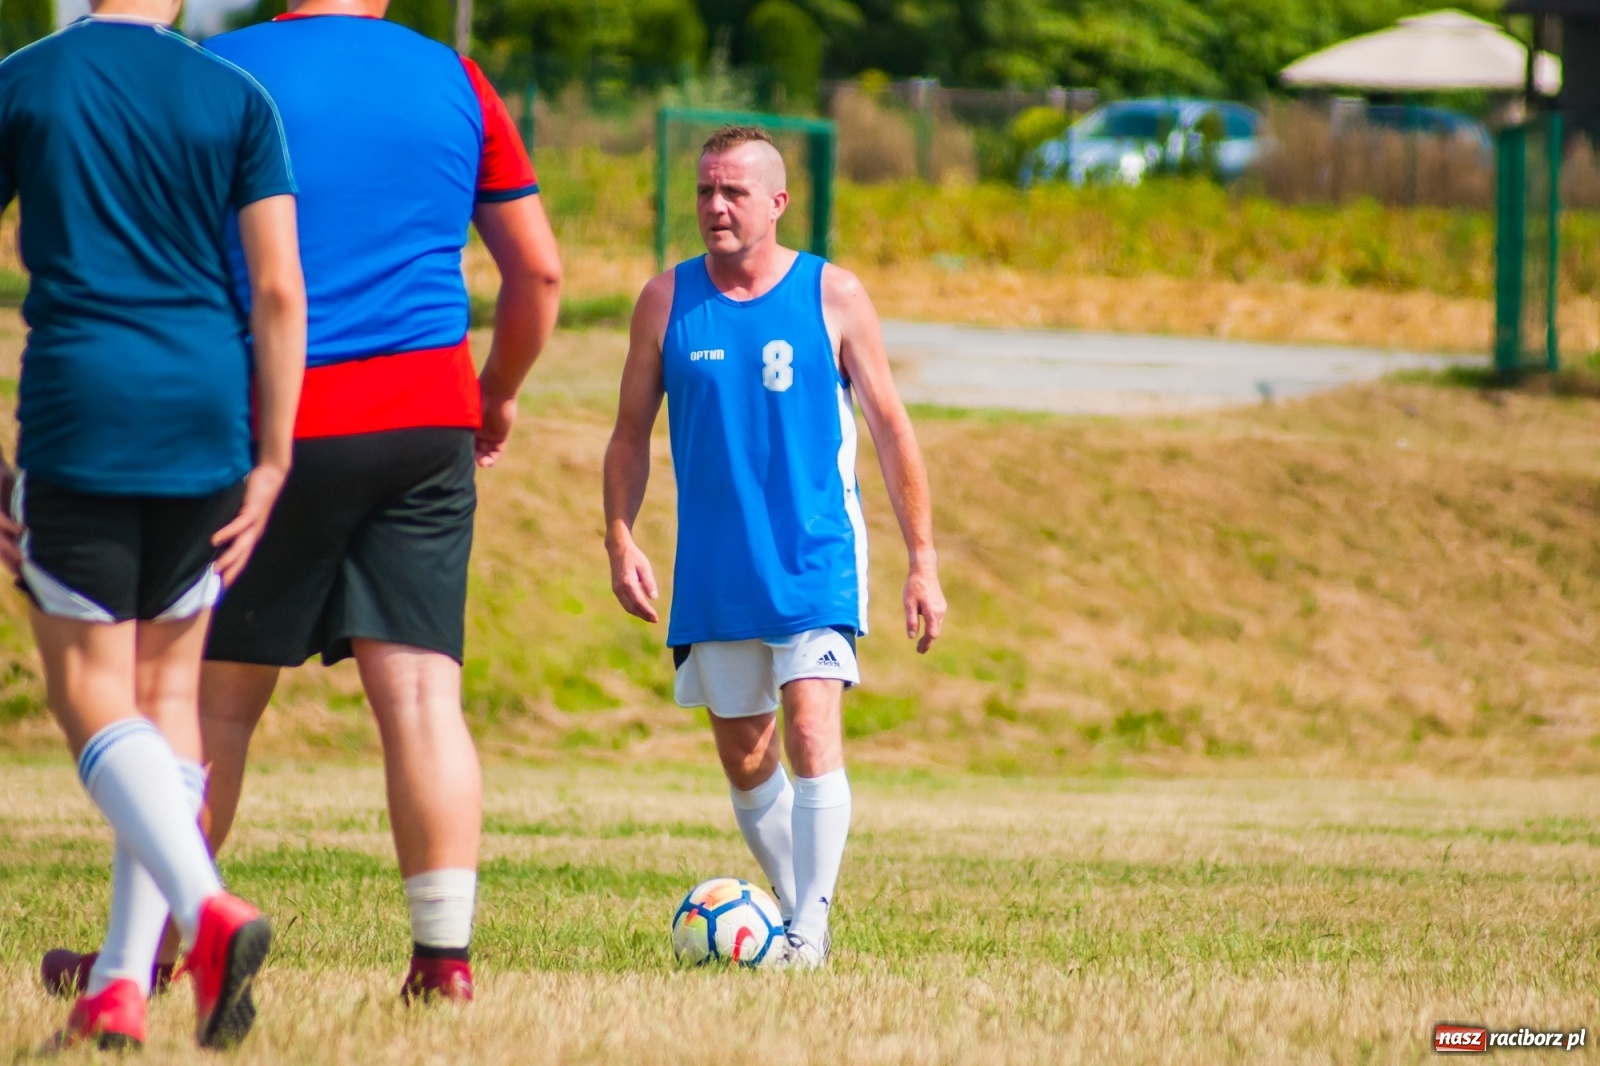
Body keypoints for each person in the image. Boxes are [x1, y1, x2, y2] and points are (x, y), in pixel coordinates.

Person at [39, 0, 560, 1006]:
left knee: (212, 704)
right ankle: (442, 961)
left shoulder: (218, 70)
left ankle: (153, 955)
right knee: (419, 696)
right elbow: (536, 268)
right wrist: (492, 395)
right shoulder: (455, 77)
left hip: (266, 420)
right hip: (422, 415)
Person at [0, 0, 307, 1050]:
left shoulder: (26, 81)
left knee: (89, 687)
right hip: (207, 411)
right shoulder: (236, 93)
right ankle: (120, 985)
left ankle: (207, 906)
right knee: (167, 691)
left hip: (84, 405)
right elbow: (276, 289)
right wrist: (273, 456)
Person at [603, 126, 946, 968]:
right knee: (747, 759)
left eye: (735, 193)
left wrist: (923, 561)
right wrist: (619, 536)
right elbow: (627, 436)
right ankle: (800, 917)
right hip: (716, 570)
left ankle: (807, 936)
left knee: (809, 724)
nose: (716, 208)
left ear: (778, 202)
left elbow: (894, 431)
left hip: (814, 556)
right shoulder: (665, 301)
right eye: (705, 192)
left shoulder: (834, 294)